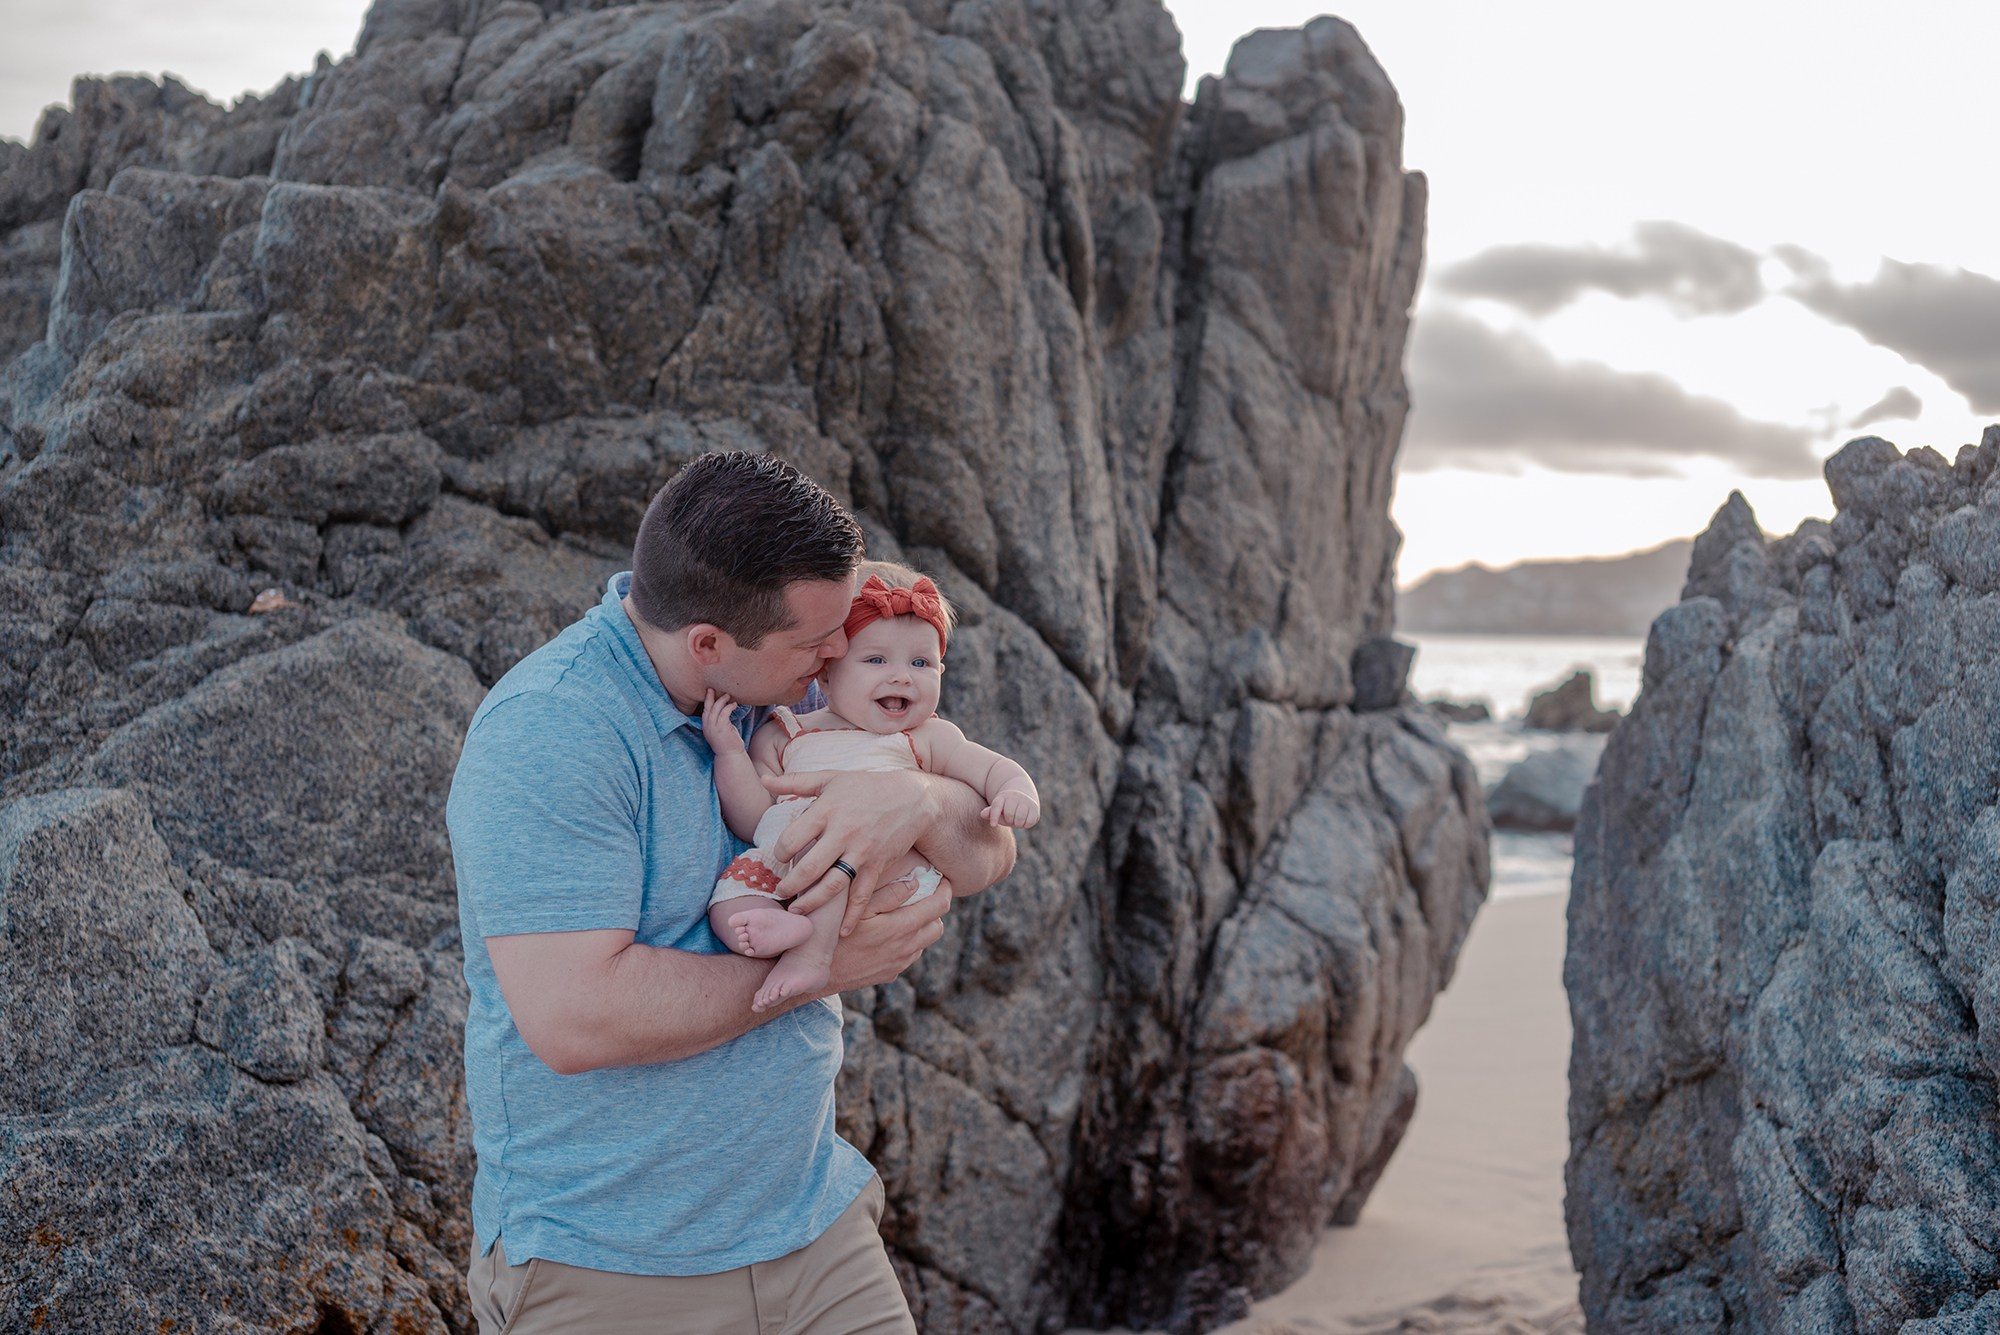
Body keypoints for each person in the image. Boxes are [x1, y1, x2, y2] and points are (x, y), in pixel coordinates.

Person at [446, 451, 1017, 1335]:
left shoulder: (778, 690)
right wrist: (828, 967)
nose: (840, 657)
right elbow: (575, 1019)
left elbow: (986, 857)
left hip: (813, 1228)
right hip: (612, 1268)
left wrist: (918, 797)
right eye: (815, 643)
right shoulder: (551, 734)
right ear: (709, 643)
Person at [703, 561, 1041, 1013]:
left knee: (838, 838)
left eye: (921, 663)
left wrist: (1016, 792)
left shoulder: (927, 738)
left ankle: (810, 955)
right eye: (876, 660)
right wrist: (729, 754)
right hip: (790, 871)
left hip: (883, 871)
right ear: (825, 673)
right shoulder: (788, 734)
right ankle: (786, 930)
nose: (902, 676)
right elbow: (754, 819)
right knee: (730, 903)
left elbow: (993, 769)